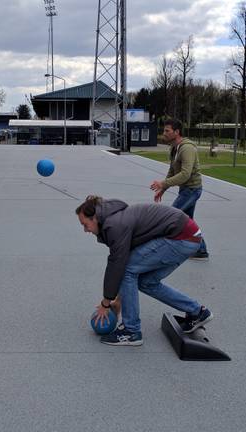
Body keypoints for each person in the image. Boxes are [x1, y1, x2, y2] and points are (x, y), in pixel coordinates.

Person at [76, 195, 213, 346]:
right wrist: (118, 302)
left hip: (180, 237)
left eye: (85, 224)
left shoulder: (114, 225)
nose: (85, 230)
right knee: (146, 282)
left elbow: (118, 266)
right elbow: (129, 257)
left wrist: (106, 303)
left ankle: (131, 331)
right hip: (187, 237)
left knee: (126, 268)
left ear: (94, 217)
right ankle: (197, 312)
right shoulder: (114, 218)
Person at [150, 119, 209, 259]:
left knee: (170, 217)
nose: (164, 133)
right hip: (186, 190)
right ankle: (201, 250)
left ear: (177, 132)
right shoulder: (174, 147)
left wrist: (163, 184)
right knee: (189, 221)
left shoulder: (187, 148)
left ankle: (161, 250)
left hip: (192, 190)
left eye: (167, 131)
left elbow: (185, 174)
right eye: (164, 130)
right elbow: (172, 170)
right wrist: (163, 189)